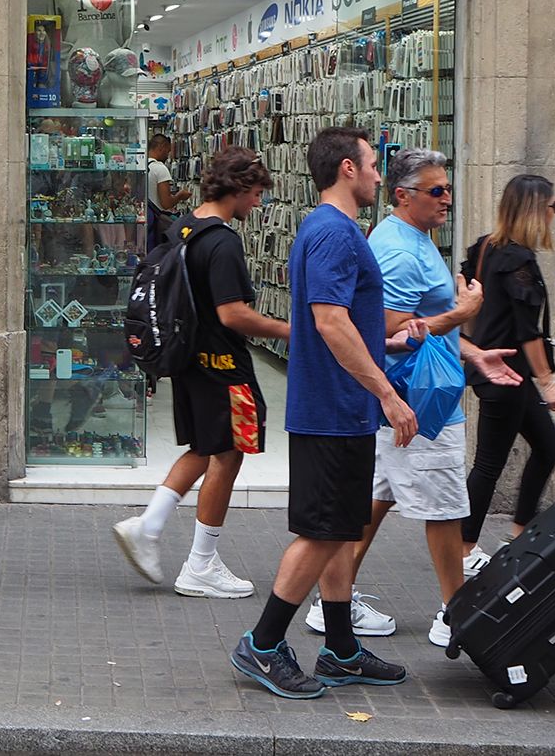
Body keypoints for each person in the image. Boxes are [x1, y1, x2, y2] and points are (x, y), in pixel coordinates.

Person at [232, 127, 419, 699]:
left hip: (341, 408)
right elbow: (329, 321)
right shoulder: (334, 232)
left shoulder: (329, 230)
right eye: (372, 165)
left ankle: (340, 649)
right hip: (332, 411)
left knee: (340, 529)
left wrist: (384, 343)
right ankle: (262, 645)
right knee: (319, 532)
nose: (379, 176)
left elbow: (343, 324)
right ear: (346, 169)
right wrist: (387, 392)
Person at [326, 148, 521, 648]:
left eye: (448, 189)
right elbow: (389, 330)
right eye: (437, 191)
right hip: (419, 402)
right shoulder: (401, 249)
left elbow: (416, 326)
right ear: (402, 196)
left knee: (374, 500)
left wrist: (472, 352)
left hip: (412, 396)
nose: (448, 200)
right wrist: (463, 312)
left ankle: (333, 603)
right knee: (444, 507)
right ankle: (456, 614)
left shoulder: (410, 239)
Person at [112, 146, 291, 599]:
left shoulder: (185, 228)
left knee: (205, 448)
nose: (258, 204)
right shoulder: (224, 241)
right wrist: (289, 330)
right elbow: (233, 314)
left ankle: (148, 527)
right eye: (255, 194)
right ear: (238, 189)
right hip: (223, 366)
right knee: (229, 454)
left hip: (190, 359)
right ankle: (200, 564)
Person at [458, 174, 555, 571]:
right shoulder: (519, 259)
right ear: (535, 210)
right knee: (488, 464)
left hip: (502, 373)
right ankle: (464, 549)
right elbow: (529, 332)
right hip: (506, 374)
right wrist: (549, 383)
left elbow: (465, 292)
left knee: (548, 446)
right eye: (553, 207)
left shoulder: (486, 247)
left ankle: (521, 532)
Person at [146, 133, 188, 251]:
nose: (168, 155)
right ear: (161, 147)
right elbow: (166, 203)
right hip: (156, 223)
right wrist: (180, 196)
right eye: (167, 151)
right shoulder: (160, 169)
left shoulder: (142, 166)